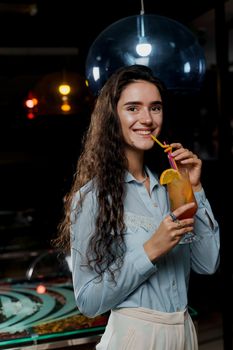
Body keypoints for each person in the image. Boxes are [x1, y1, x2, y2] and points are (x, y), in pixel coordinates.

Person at [55, 64, 220, 349]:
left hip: (185, 333)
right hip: (135, 338)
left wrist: (195, 189)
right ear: (112, 117)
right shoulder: (92, 198)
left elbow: (208, 264)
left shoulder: (172, 188)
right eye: (133, 108)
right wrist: (150, 250)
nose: (147, 118)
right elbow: (88, 301)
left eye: (155, 108)